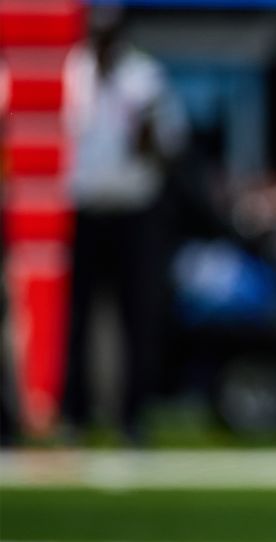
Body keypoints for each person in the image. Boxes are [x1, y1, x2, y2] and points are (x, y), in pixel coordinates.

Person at [61, 4, 188, 445]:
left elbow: (170, 148)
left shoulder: (145, 78)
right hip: (82, 209)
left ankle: (133, 417)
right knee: (76, 317)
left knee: (138, 315)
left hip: (135, 210)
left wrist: (149, 140)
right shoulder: (69, 75)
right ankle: (74, 415)